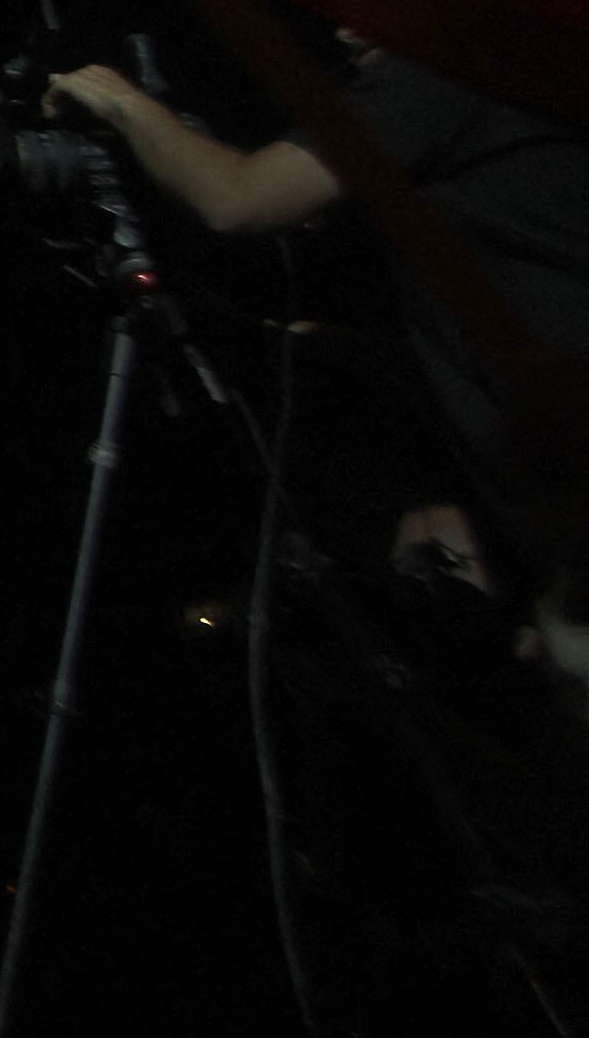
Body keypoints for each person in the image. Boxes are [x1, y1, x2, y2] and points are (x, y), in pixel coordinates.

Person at [43, 42, 589, 645]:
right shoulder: (504, 81)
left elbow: (238, 198)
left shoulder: (438, 73)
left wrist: (122, 102)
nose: (342, 36)